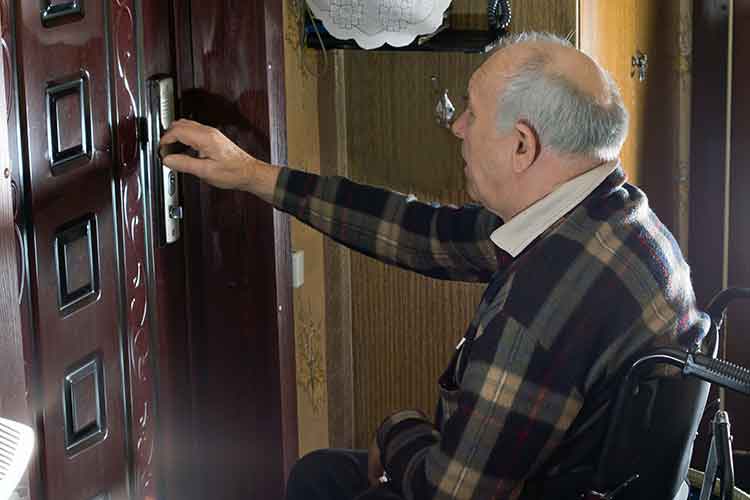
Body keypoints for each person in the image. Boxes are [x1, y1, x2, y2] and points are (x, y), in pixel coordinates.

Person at [160, 32, 706, 500]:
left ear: (522, 146)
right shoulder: (611, 215)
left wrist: (395, 430)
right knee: (321, 474)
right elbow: (423, 233)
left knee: (320, 479)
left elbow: (449, 493)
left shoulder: (538, 310)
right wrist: (254, 174)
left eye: (470, 112)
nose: (459, 127)